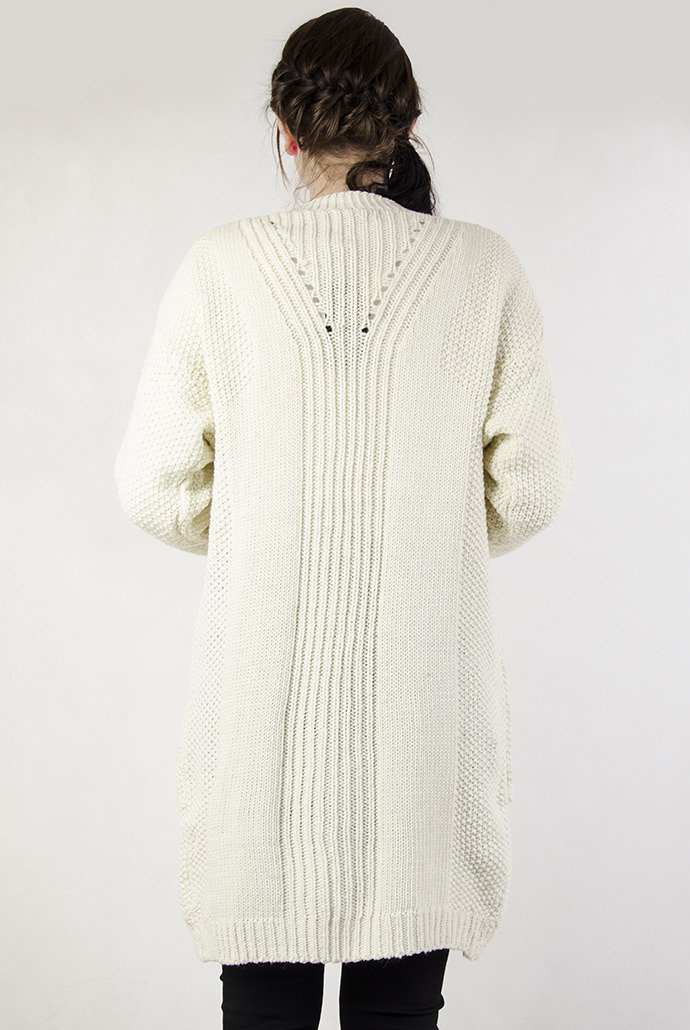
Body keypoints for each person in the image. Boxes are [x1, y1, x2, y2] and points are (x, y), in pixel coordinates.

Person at [113, 7, 576, 1028]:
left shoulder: (219, 266)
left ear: (286, 132)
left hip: (261, 715)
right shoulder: (484, 268)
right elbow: (533, 490)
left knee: (261, 999)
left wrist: (270, 526)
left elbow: (151, 483)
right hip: (424, 716)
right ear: (406, 126)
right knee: (400, 1010)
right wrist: (421, 527)